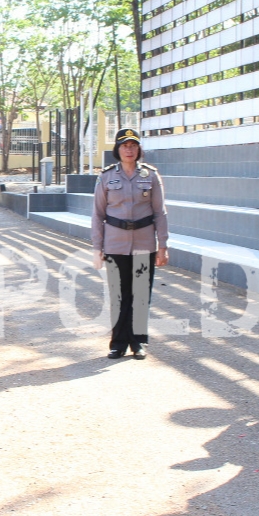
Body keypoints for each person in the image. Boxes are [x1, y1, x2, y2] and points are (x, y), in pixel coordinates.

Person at [90, 128, 169, 359]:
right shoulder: (106, 177)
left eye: (133, 145)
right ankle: (118, 342)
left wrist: (162, 245)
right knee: (118, 294)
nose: (129, 149)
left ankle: (138, 343)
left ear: (138, 149)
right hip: (115, 243)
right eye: (124, 145)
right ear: (117, 149)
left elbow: (160, 213)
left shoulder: (150, 176)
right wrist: (97, 248)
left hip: (144, 241)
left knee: (141, 293)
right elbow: (97, 214)